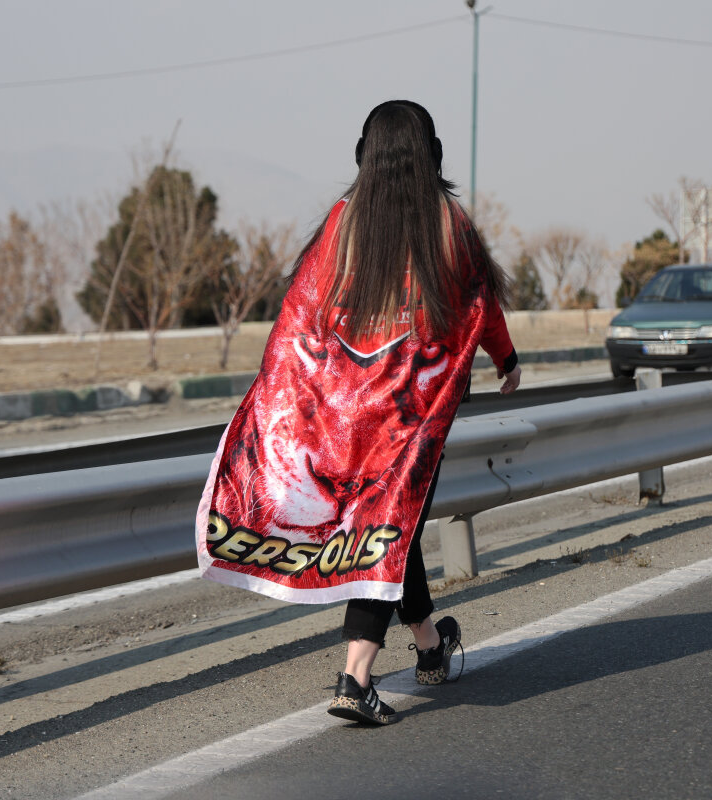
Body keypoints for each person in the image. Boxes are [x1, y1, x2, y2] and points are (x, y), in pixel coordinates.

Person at [194, 100, 520, 726]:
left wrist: (283, 397)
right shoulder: (449, 223)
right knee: (388, 526)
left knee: (394, 527)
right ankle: (355, 678)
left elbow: (301, 315)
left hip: (341, 416)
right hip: (410, 418)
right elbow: (483, 306)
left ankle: (430, 645)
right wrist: (507, 361)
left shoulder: (342, 221)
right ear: (433, 154)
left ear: (362, 155)